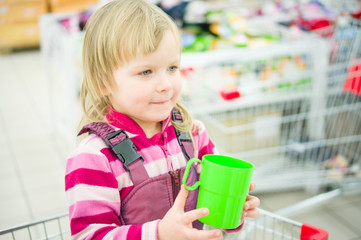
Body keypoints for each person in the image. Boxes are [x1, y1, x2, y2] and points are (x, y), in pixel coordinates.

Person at [65, 0, 260, 239]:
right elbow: (89, 235)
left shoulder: (193, 133)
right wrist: (158, 233)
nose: (166, 85)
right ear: (103, 82)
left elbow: (211, 211)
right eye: (146, 72)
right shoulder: (95, 159)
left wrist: (232, 211)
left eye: (172, 68)